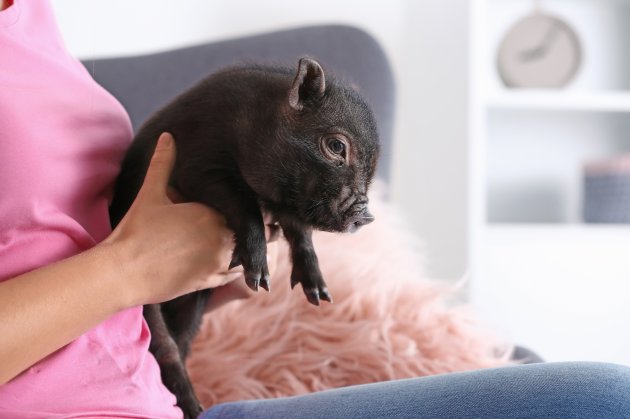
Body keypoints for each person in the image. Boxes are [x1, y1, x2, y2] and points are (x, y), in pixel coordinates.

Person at [1, 1, 629, 418]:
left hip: (155, 400)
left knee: (598, 400)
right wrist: (129, 269)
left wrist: (211, 266)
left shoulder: (32, 19)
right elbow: (121, 266)